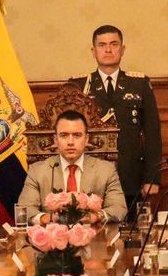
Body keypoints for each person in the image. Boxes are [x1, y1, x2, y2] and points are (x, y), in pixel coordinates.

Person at [63, 25, 162, 213]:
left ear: (122, 49)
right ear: (93, 51)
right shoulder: (78, 85)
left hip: (130, 176)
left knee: (131, 229)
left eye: (113, 44)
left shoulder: (139, 84)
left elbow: (152, 134)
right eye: (102, 45)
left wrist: (152, 178)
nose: (108, 50)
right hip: (89, 178)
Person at [16, 109, 128, 223]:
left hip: (93, 233)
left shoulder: (106, 170)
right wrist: (46, 218)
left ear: (86, 139)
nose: (70, 142)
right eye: (64, 135)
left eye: (77, 135)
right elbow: (24, 209)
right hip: (52, 233)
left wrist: (95, 217)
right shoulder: (37, 171)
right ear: (55, 140)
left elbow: (119, 209)